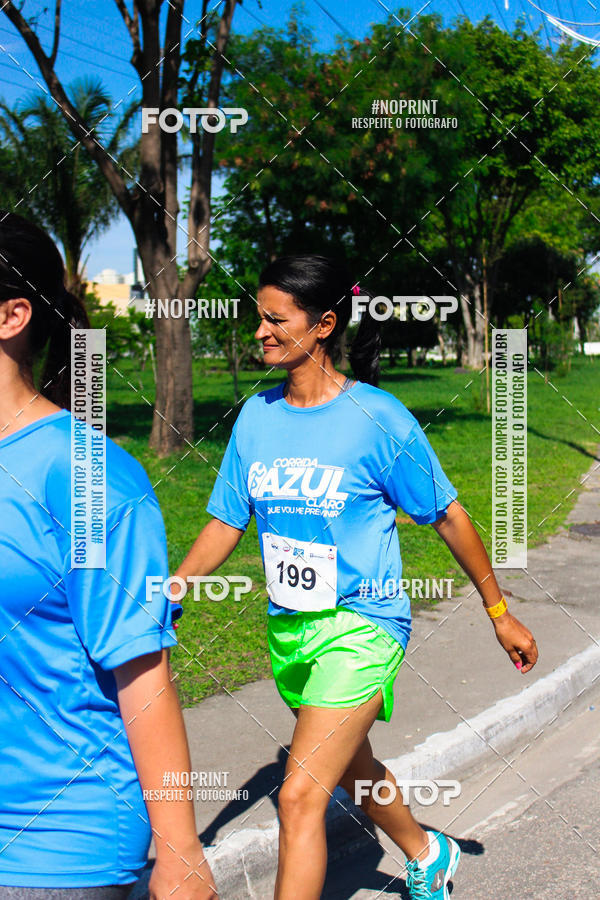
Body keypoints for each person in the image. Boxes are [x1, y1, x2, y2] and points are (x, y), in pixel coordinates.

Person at [176, 254, 538, 900]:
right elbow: (227, 522)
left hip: (364, 625)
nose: (260, 331)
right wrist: (175, 586)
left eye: (276, 319)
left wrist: (498, 612)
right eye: (259, 317)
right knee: (353, 768)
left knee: (299, 796)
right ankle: (427, 851)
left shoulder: (378, 418)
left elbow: (447, 515)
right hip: (291, 629)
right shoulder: (256, 417)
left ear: (323, 325)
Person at [0, 212, 217, 900]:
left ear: (10, 316)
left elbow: (142, 672)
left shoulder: (85, 477)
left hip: (53, 845)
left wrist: (180, 852)